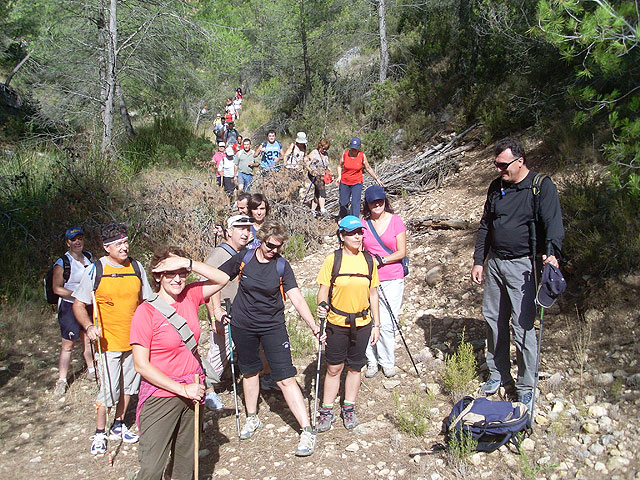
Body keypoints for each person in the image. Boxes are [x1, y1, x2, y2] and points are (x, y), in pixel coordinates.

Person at [471, 137, 564, 412]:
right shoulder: (496, 185)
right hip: (496, 263)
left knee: (523, 327)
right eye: (495, 164)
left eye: (502, 165)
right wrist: (479, 260)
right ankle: (498, 374)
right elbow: (486, 225)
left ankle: (526, 387)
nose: (498, 170)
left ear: (520, 161)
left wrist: (552, 255)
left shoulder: (540, 187)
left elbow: (553, 225)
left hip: (525, 267)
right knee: (493, 320)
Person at [216, 219, 321, 456]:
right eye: (270, 246)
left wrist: (312, 325)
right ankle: (252, 417)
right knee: (250, 371)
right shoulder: (244, 258)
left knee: (285, 377)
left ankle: (307, 429)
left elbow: (296, 296)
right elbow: (217, 279)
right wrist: (216, 309)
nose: (274, 251)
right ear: (260, 240)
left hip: (273, 327)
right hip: (243, 325)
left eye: (279, 247)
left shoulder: (282, 266)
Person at [130, 247, 229, 480]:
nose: (177, 279)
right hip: (161, 396)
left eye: (182, 273)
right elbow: (141, 365)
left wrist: (188, 262)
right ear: (157, 276)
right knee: (152, 469)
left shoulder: (191, 295)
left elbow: (222, 278)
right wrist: (182, 389)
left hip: (193, 389)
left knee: (185, 464)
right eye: (170, 274)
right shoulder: (145, 312)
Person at [72, 222, 153, 455]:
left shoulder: (136, 267)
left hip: (135, 340)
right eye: (118, 244)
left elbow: (146, 301)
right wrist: (88, 327)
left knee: (129, 387)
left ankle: (118, 425)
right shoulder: (96, 269)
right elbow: (79, 304)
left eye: (126, 242)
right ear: (107, 247)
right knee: (109, 390)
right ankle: (100, 432)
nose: (124, 247)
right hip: (107, 342)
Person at [315, 216, 381, 432]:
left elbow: (373, 294)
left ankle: (349, 406)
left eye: (360, 232)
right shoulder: (332, 260)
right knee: (334, 367)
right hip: (337, 322)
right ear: (341, 236)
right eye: (352, 233)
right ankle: (326, 409)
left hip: (363, 323)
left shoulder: (369, 261)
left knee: (355, 366)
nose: (357, 236)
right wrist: (322, 305)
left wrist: (377, 325)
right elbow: (323, 289)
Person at [203, 215, 253, 410]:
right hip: (223, 312)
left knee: (227, 350)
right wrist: (214, 315)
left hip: (239, 311)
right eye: (240, 228)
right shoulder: (220, 254)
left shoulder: (243, 252)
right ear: (229, 231)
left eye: (248, 229)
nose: (245, 233)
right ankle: (207, 390)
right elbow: (207, 286)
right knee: (219, 351)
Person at [361, 186, 406, 378]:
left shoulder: (396, 221)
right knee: (368, 320)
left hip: (392, 277)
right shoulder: (363, 225)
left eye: (380, 200)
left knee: (387, 322)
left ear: (385, 201)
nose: (377, 204)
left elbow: (402, 252)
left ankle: (387, 362)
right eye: (373, 202)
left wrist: (382, 260)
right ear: (368, 204)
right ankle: (371, 360)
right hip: (370, 279)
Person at [52, 226, 95, 397]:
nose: (78, 242)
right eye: (73, 239)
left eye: (80, 238)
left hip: (89, 305)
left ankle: (92, 370)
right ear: (68, 242)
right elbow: (56, 288)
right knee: (68, 344)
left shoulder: (90, 258)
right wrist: (77, 294)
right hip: (69, 306)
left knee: (89, 338)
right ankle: (62, 380)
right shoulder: (63, 262)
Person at [337, 137, 384, 219]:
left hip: (357, 182)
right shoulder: (345, 154)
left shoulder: (362, 156)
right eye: (352, 148)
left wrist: (377, 179)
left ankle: (354, 220)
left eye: (355, 149)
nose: (353, 150)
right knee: (343, 202)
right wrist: (339, 176)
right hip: (345, 181)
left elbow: (368, 168)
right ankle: (344, 219)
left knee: (355, 203)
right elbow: (339, 166)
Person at [305, 138, 332, 216]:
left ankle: (313, 210)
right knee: (321, 186)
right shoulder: (314, 153)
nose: (324, 150)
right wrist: (311, 171)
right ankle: (322, 208)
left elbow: (327, 166)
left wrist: (330, 173)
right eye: (323, 148)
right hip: (314, 174)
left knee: (317, 192)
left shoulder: (326, 155)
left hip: (322, 174)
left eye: (326, 149)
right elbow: (307, 164)